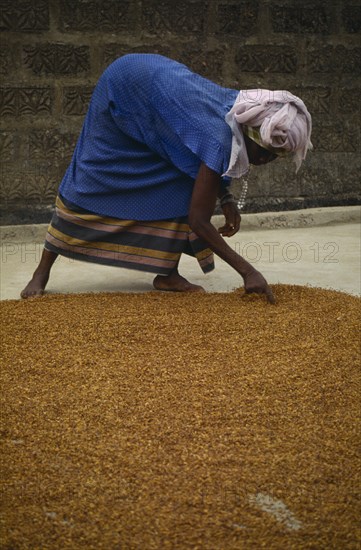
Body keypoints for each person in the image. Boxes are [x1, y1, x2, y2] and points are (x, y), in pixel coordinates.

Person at [21, 54, 312, 302]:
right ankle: (42, 270)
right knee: (90, 179)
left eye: (278, 157)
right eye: (267, 153)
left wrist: (226, 198)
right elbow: (198, 221)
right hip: (123, 87)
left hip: (155, 94)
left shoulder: (238, 113)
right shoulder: (219, 137)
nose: (267, 161)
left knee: (185, 183)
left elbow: (214, 161)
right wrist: (248, 271)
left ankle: (167, 274)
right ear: (252, 135)